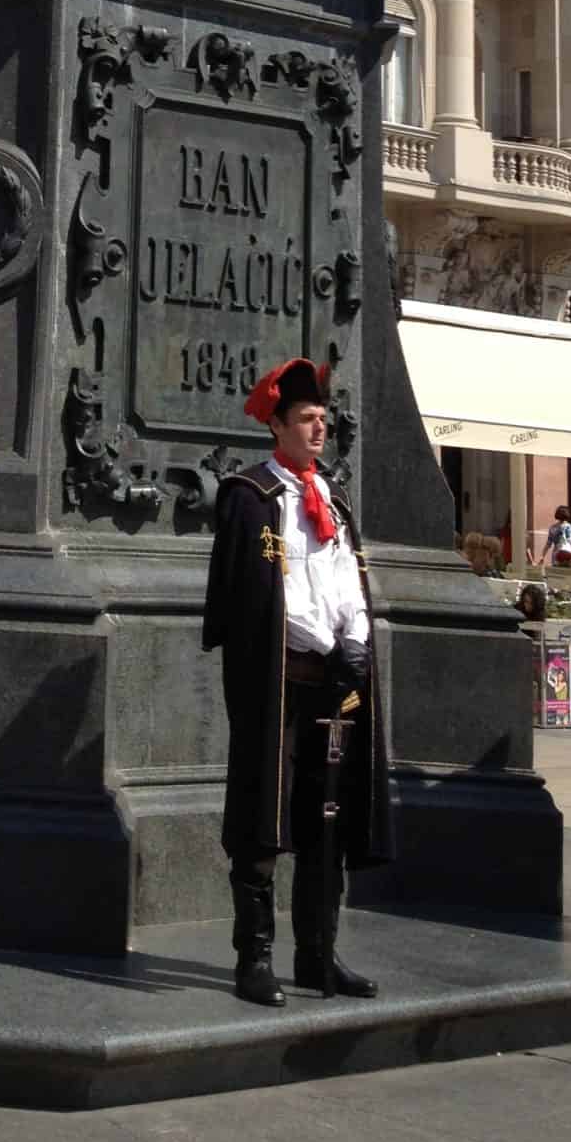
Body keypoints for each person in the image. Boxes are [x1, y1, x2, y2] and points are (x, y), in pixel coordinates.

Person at [203, 355, 388, 1006]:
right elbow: (249, 598)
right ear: (277, 424)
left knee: (325, 819)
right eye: (307, 419)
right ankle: (253, 958)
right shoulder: (251, 499)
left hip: (332, 680)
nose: (320, 429)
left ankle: (317, 954)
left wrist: (358, 645)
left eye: (324, 419)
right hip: (276, 678)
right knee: (261, 821)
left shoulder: (331, 500)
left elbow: (345, 585)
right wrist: (310, 640)